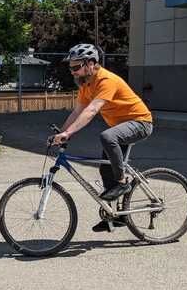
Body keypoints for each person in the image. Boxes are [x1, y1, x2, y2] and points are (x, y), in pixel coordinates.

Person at [53, 43, 153, 232]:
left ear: (91, 63)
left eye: (76, 67)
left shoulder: (106, 80)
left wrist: (68, 133)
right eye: (70, 67)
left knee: (107, 137)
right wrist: (61, 133)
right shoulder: (85, 85)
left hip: (140, 122)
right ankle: (117, 217)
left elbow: (91, 111)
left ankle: (123, 183)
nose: (73, 72)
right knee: (106, 168)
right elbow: (77, 112)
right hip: (120, 128)